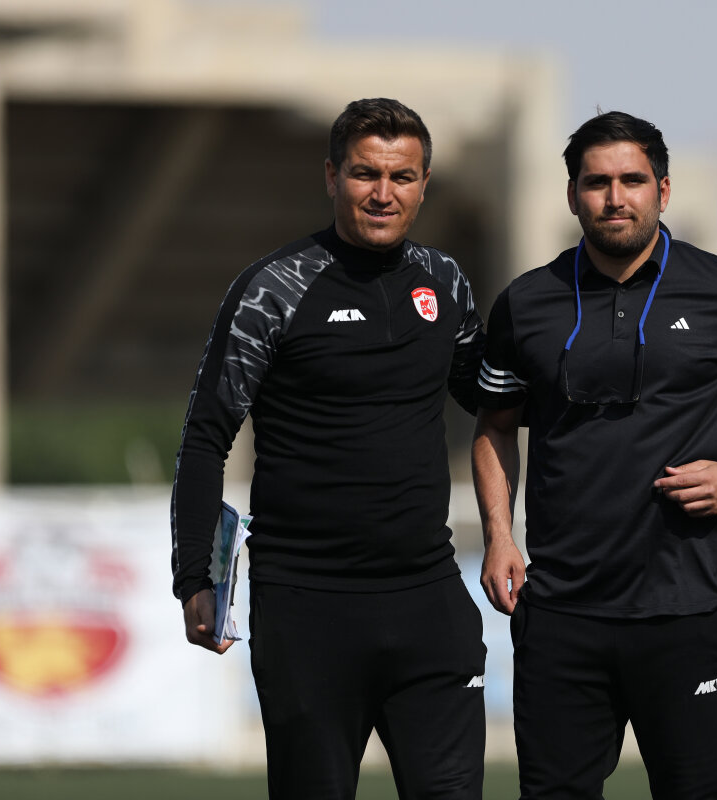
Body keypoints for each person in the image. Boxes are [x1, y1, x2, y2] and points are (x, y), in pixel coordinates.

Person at [473, 111, 717, 800]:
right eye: (597, 183)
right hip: (561, 615)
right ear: (572, 195)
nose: (615, 198)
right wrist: (498, 533)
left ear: (663, 191)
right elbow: (494, 426)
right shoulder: (526, 303)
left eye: (632, 180)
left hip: (686, 611)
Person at [171, 98, 487, 799]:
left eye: (402, 176)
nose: (383, 193)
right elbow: (205, 439)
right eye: (365, 173)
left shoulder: (446, 283)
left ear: (424, 184)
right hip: (307, 609)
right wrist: (194, 576)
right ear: (331, 176)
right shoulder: (273, 289)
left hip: (429, 601)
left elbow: (496, 406)